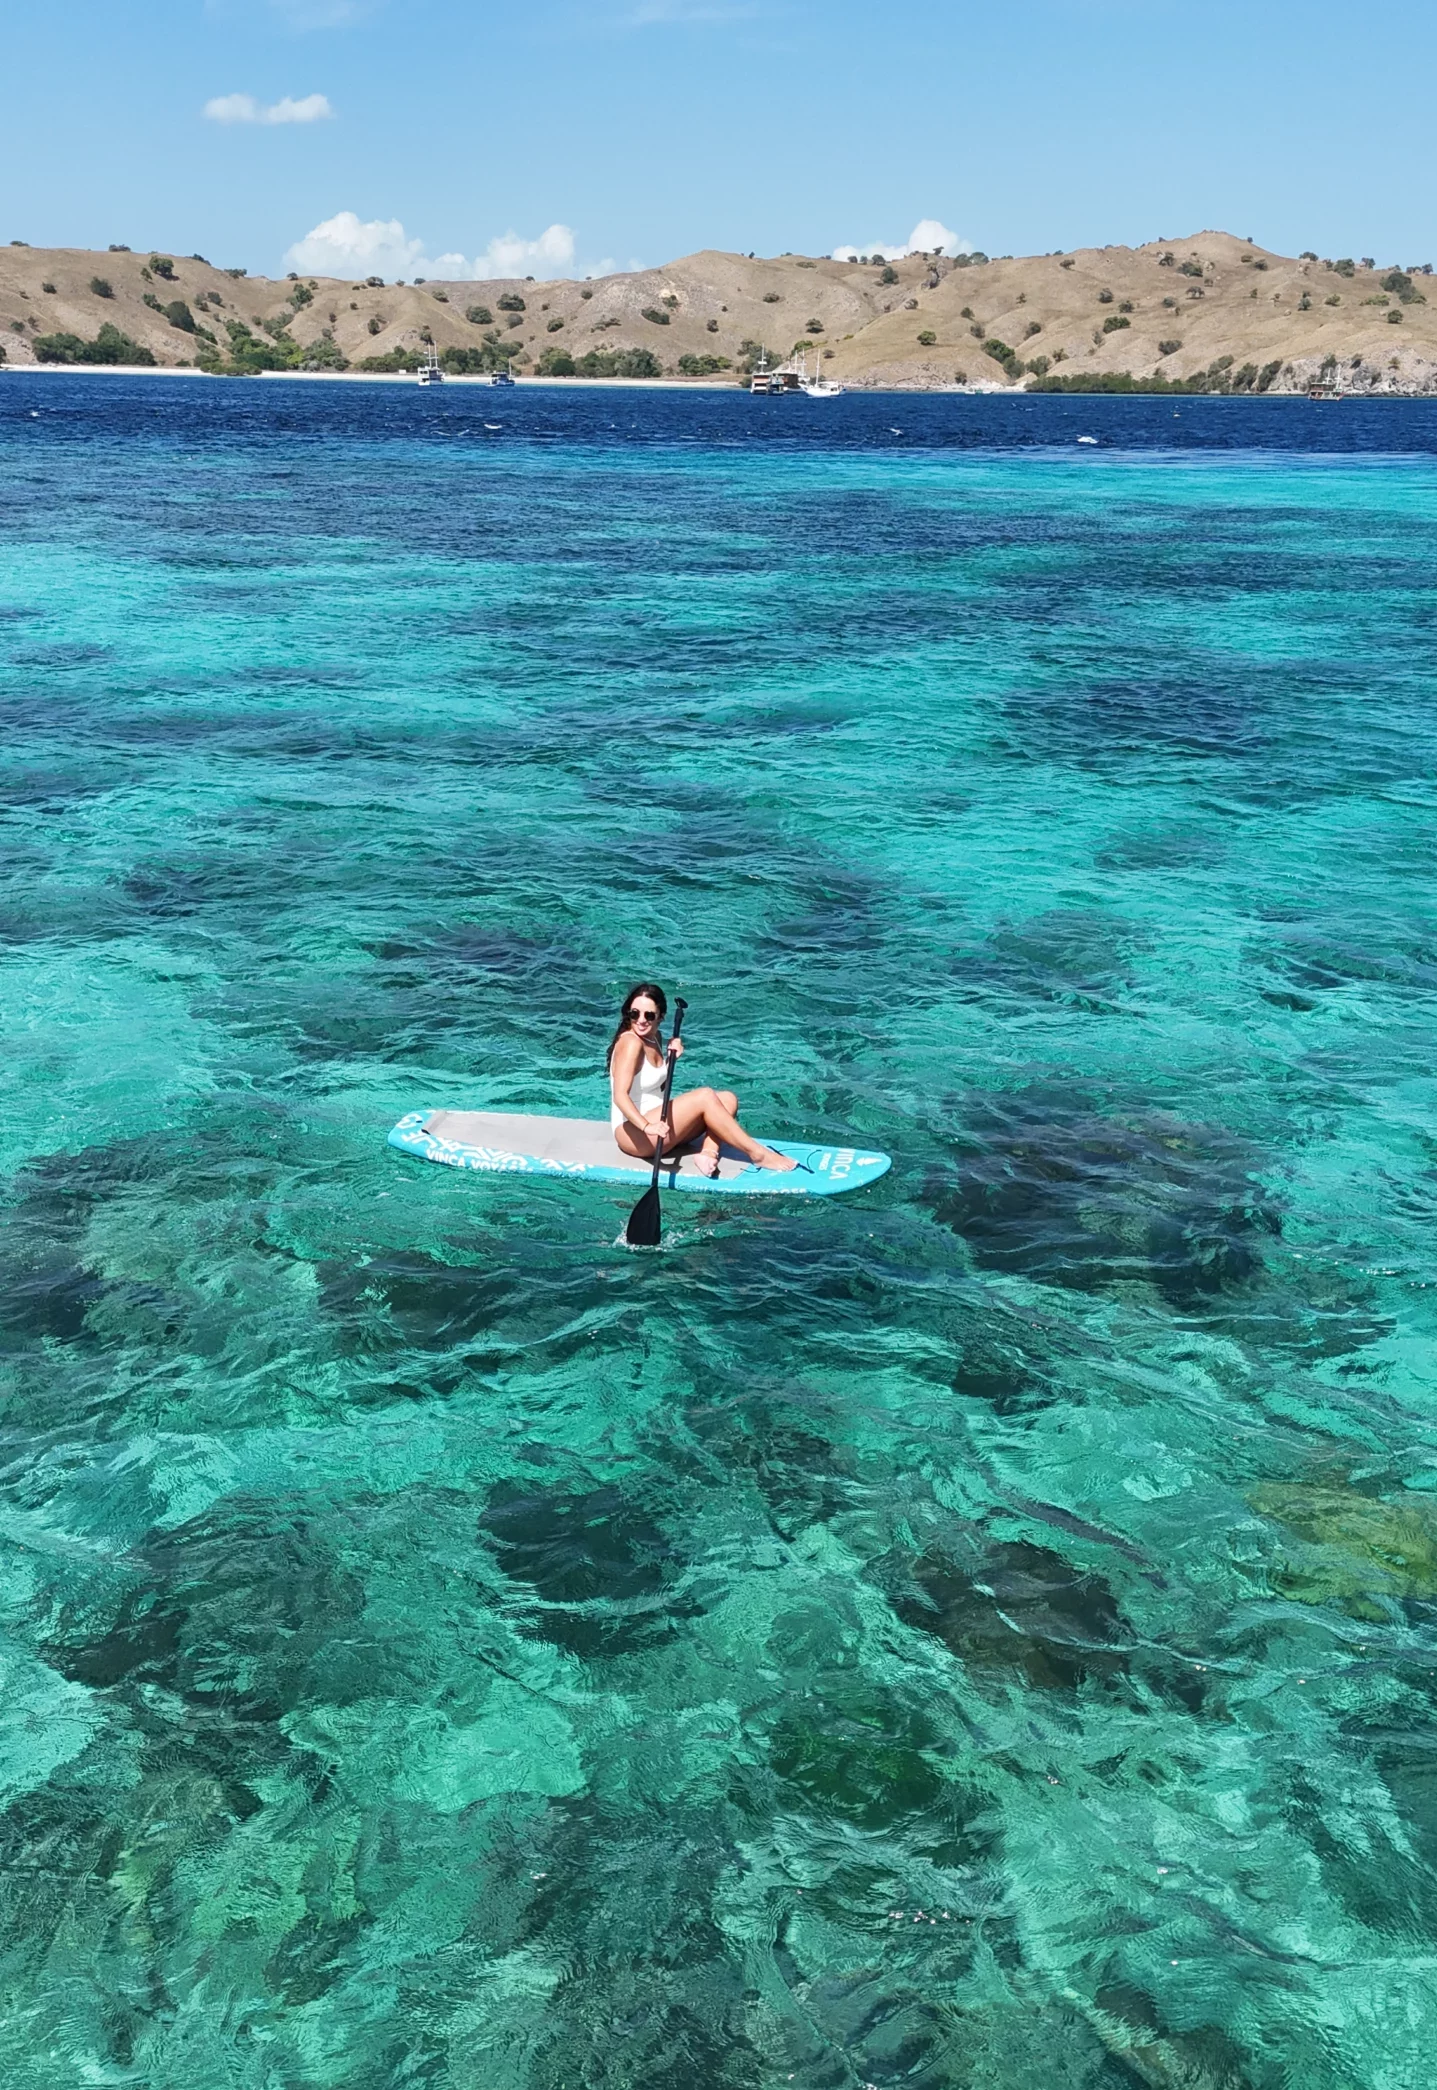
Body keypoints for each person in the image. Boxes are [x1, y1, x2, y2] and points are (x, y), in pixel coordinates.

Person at [607, 983, 796, 1175]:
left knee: (728, 1099)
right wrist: (648, 1127)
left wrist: (671, 1060)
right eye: (635, 1014)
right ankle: (758, 1154)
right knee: (704, 1096)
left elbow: (656, 1087)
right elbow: (620, 1096)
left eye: (649, 1015)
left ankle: (708, 1153)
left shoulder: (655, 1037)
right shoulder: (630, 1042)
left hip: (659, 1125)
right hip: (634, 1133)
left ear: (661, 1016)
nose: (641, 1020)